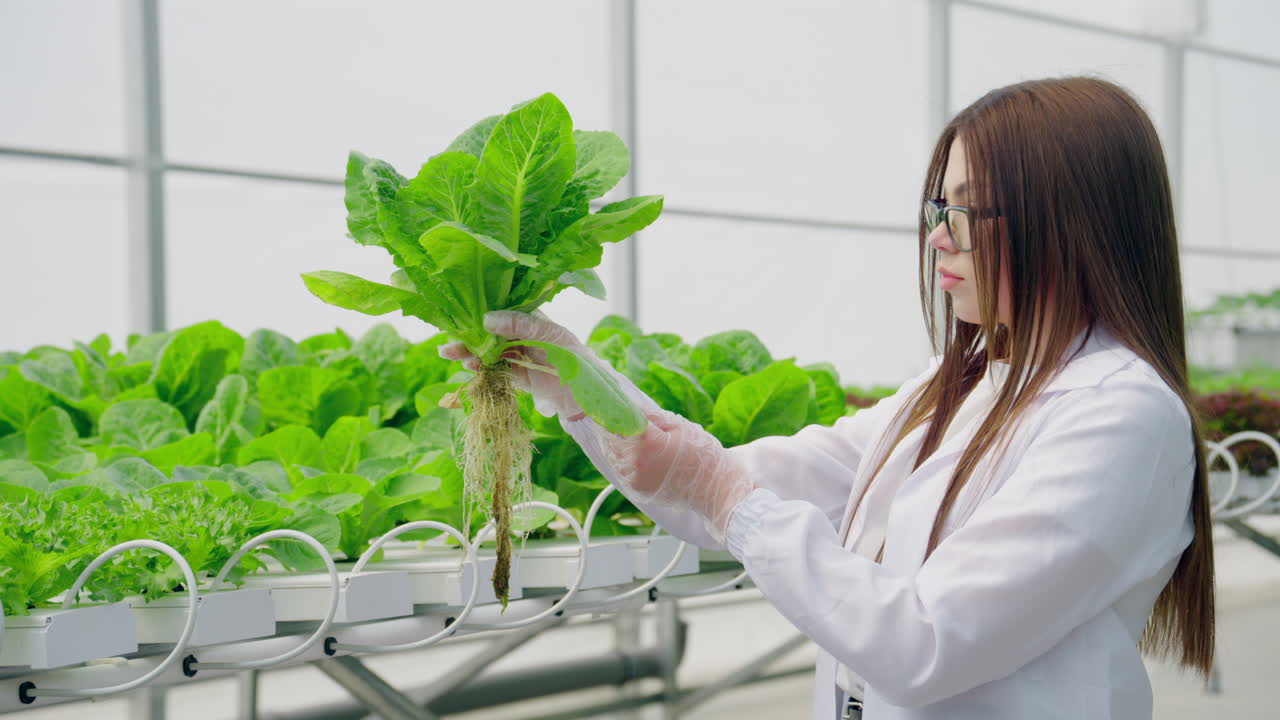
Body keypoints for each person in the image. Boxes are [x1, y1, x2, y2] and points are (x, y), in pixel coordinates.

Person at [442, 75, 1215, 720]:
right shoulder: (968, 381)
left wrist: (723, 493)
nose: (939, 237)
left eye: (968, 211)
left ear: (1073, 221)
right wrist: (579, 385)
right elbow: (734, 486)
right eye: (937, 209)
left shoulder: (1120, 416)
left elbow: (925, 641)